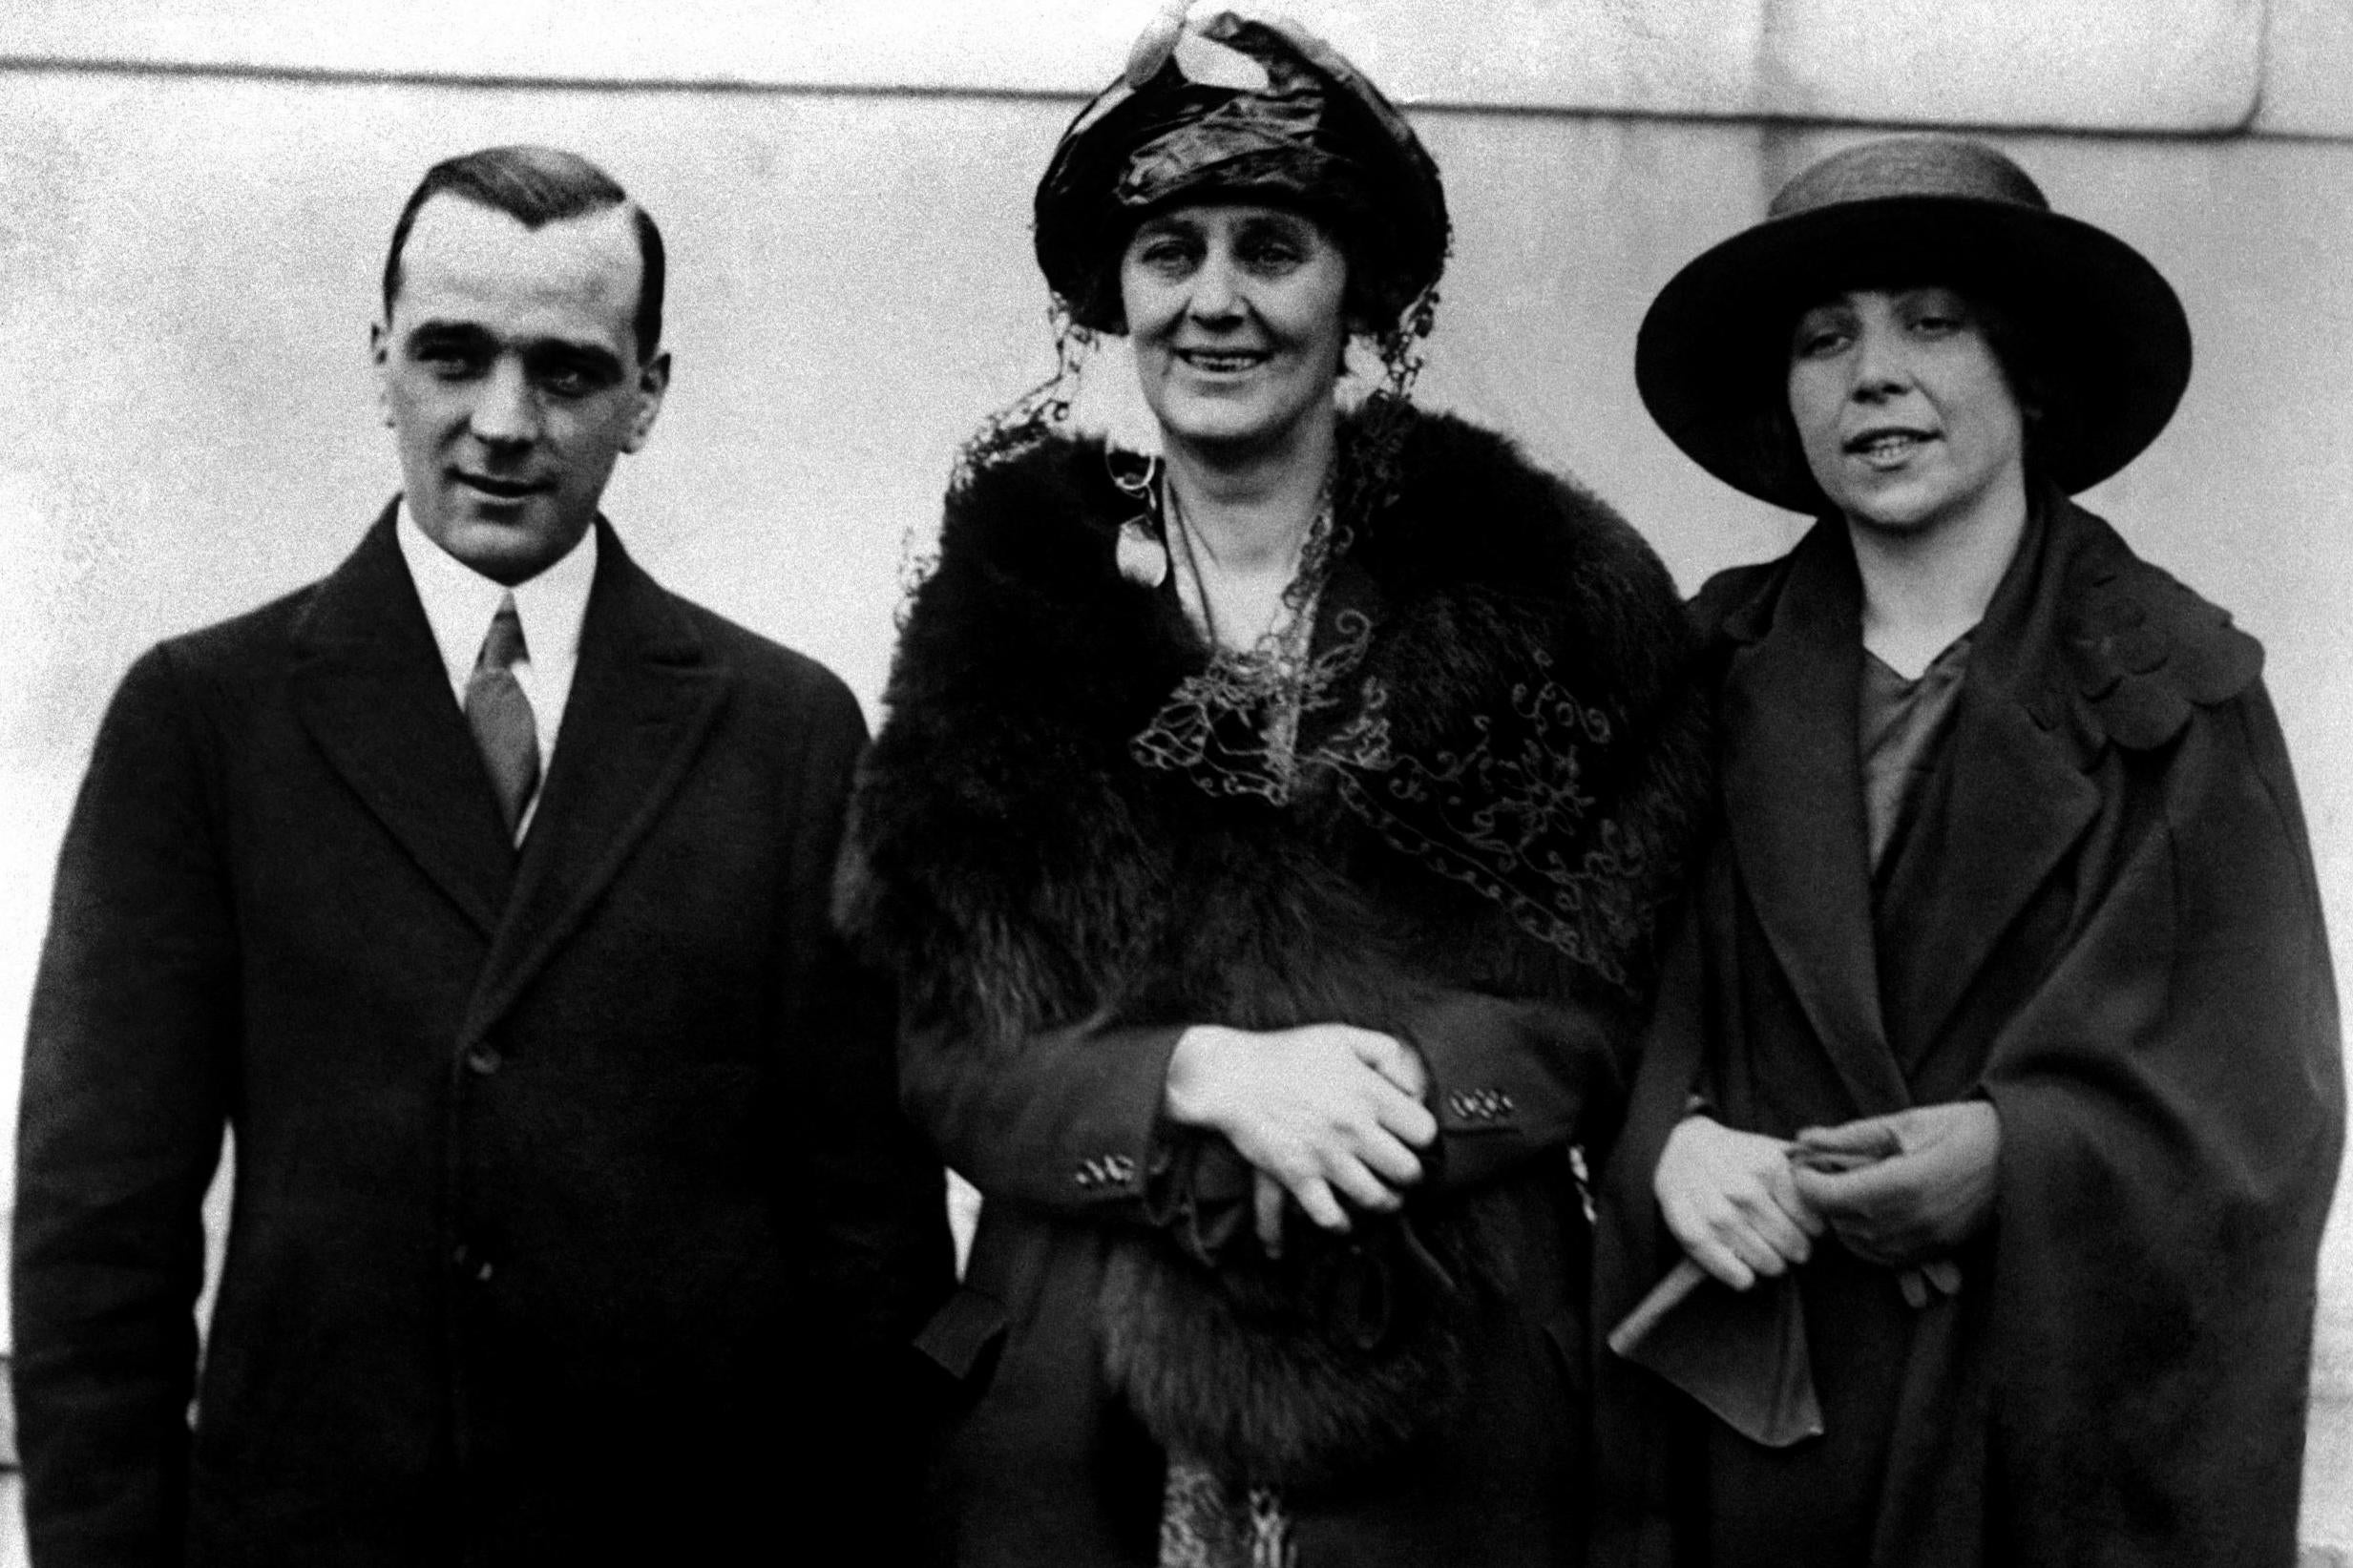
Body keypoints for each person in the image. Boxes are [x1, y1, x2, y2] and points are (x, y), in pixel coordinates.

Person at [834, 11, 1710, 1566]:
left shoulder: (1529, 589)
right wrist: (1192, 1083)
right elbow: (951, 1054)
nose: (1215, 301)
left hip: (1446, 1368)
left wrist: (1383, 1095)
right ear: (1117, 295)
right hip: (1086, 1397)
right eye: (1169, 252)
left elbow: (1596, 999)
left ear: (1355, 291)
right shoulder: (1008, 608)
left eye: (1271, 248)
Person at [12, 144, 953, 1564]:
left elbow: (872, 1243)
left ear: (648, 396)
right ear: (379, 362)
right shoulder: (204, 719)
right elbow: (96, 1233)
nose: (504, 423)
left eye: (567, 371)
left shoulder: (786, 734)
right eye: (453, 356)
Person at [1591, 135, 2343, 1567]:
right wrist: (1665, 1146)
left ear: (2028, 374)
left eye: (1932, 325)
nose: (1873, 375)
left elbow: (2263, 1106)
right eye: (1824, 340)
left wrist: (2019, 1154)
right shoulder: (1692, 676)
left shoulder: (2170, 695)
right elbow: (1591, 1000)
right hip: (1757, 1425)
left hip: (2028, 1435)